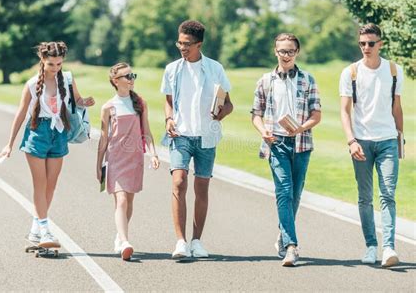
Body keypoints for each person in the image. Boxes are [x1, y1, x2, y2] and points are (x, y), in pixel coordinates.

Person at [0, 41, 95, 246]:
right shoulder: (32, 84)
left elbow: (76, 100)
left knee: (51, 186)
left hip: (59, 133)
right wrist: (9, 144)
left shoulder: (67, 79)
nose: (56, 68)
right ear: (42, 60)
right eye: (51, 64)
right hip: (37, 133)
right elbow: (21, 113)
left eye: (59, 64)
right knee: (40, 184)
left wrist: (85, 101)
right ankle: (45, 230)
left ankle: (36, 227)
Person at [160, 20, 233, 259]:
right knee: (179, 182)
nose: (182, 47)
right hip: (180, 134)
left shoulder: (215, 69)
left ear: (199, 44)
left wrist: (220, 113)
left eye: (187, 44)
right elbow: (168, 101)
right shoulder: (172, 69)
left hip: (206, 136)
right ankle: (180, 242)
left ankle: (197, 241)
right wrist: (169, 119)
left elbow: (228, 104)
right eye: (179, 42)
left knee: (202, 188)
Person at [251, 33, 321, 267]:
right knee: (284, 192)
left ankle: (283, 233)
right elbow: (256, 114)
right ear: (275, 52)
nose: (286, 55)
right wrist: (263, 131)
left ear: (297, 53)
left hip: (301, 144)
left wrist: (301, 127)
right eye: (282, 51)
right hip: (276, 143)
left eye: (291, 51)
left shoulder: (308, 80)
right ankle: (292, 246)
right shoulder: (265, 81)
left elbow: (316, 114)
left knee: (295, 195)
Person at [339, 23, 404, 267]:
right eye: (362, 43)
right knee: (365, 197)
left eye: (371, 43)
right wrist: (351, 140)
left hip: (387, 140)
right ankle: (371, 246)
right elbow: (345, 111)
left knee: (388, 194)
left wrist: (400, 138)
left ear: (381, 44)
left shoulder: (394, 70)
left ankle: (388, 247)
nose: (366, 48)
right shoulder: (350, 72)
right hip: (361, 142)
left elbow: (397, 107)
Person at [96, 62, 160, 261]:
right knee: (121, 200)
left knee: (129, 201)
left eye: (133, 75)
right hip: (115, 158)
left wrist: (153, 154)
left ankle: (120, 235)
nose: (131, 79)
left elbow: (146, 132)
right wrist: (98, 164)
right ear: (116, 81)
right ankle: (124, 241)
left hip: (135, 158)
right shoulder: (107, 107)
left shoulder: (140, 103)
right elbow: (104, 138)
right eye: (127, 76)